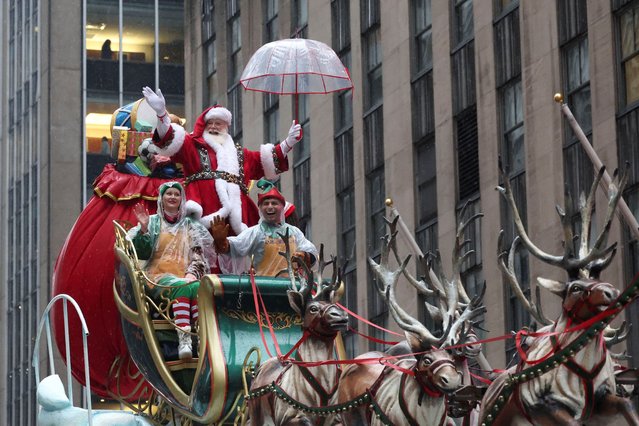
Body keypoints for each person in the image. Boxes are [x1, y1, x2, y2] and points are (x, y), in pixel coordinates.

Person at [142, 86, 302, 238]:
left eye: (218, 123)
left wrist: (288, 143)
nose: (213, 127)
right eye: (209, 124)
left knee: (236, 258)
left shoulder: (240, 154)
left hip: (237, 219)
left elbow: (266, 160)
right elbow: (167, 139)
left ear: (226, 127)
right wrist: (162, 114)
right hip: (203, 212)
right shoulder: (193, 146)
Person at [127, 181, 216, 359]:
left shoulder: (191, 225)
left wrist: (192, 274)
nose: (173, 197)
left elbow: (198, 256)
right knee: (182, 286)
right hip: (157, 278)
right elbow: (139, 253)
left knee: (201, 289)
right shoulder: (152, 222)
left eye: (177, 194)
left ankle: (202, 339)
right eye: (169, 194)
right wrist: (144, 230)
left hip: (185, 279)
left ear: (181, 199)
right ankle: (184, 338)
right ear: (162, 198)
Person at [211, 180, 318, 276]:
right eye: (265, 204)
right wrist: (222, 242)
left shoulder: (294, 232)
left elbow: (310, 250)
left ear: (282, 207)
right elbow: (236, 245)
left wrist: (304, 255)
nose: (270, 206)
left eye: (274, 203)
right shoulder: (255, 232)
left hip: (292, 289)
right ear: (260, 208)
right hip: (265, 289)